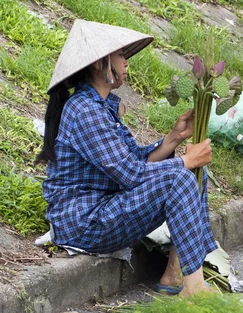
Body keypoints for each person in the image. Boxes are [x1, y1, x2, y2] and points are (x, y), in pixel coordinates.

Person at [37, 19, 217, 297]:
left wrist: (174, 138)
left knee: (195, 173)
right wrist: (185, 161)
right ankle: (195, 288)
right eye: (121, 55)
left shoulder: (101, 106)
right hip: (84, 223)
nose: (126, 61)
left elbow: (133, 161)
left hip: (106, 208)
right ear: (99, 64)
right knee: (181, 174)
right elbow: (131, 175)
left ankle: (174, 273)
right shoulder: (85, 110)